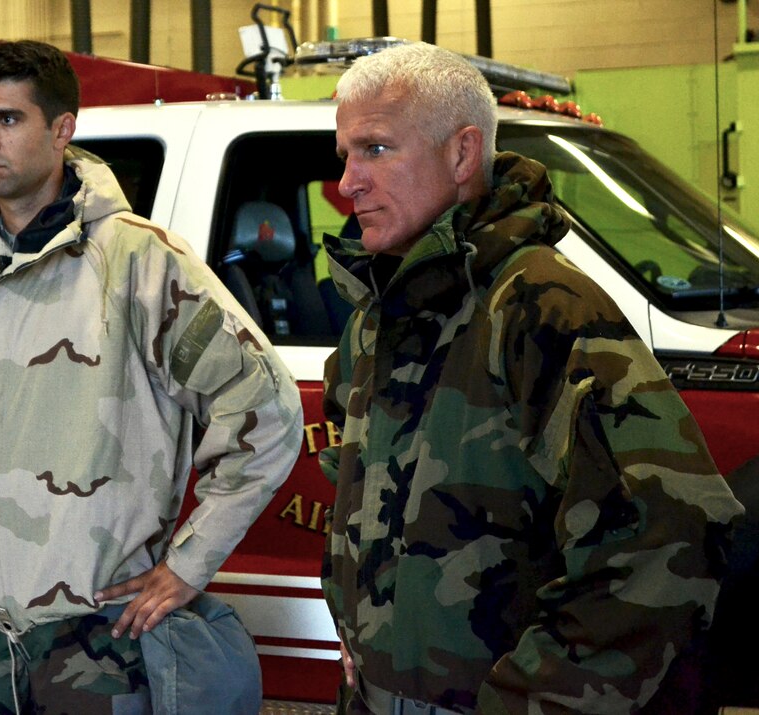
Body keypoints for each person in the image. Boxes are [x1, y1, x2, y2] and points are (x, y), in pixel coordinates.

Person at [318, 42, 744, 715]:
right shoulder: (378, 318)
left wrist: (531, 701)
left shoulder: (540, 307)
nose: (347, 183)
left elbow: (669, 533)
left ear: (462, 154)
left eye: (375, 149)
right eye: (345, 155)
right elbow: (362, 499)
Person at [0, 41, 303, 713]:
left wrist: (189, 563)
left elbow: (269, 410)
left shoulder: (139, 264)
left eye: (9, 119)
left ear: (62, 129)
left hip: (95, 644)